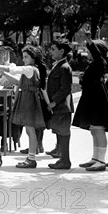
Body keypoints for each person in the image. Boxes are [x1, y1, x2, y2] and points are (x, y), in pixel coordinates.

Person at [0, 45, 47, 168]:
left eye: (26, 57)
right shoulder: (33, 69)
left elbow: (11, 69)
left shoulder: (30, 69)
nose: (24, 59)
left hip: (29, 100)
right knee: (30, 130)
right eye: (23, 57)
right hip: (29, 99)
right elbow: (17, 81)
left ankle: (31, 158)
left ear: (33, 58)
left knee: (30, 130)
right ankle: (31, 157)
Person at [73, 31, 108, 171]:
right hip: (92, 98)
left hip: (98, 99)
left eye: (90, 49)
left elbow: (96, 54)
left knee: (98, 129)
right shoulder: (94, 64)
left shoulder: (99, 61)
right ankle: (95, 158)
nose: (88, 52)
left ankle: (101, 161)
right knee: (94, 129)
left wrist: (89, 40)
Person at [46, 39, 74, 170]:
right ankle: (62, 158)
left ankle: (65, 160)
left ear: (61, 51)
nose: (50, 51)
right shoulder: (58, 65)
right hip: (59, 107)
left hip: (62, 107)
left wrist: (53, 102)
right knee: (59, 132)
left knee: (63, 133)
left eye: (53, 49)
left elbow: (65, 89)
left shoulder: (64, 67)